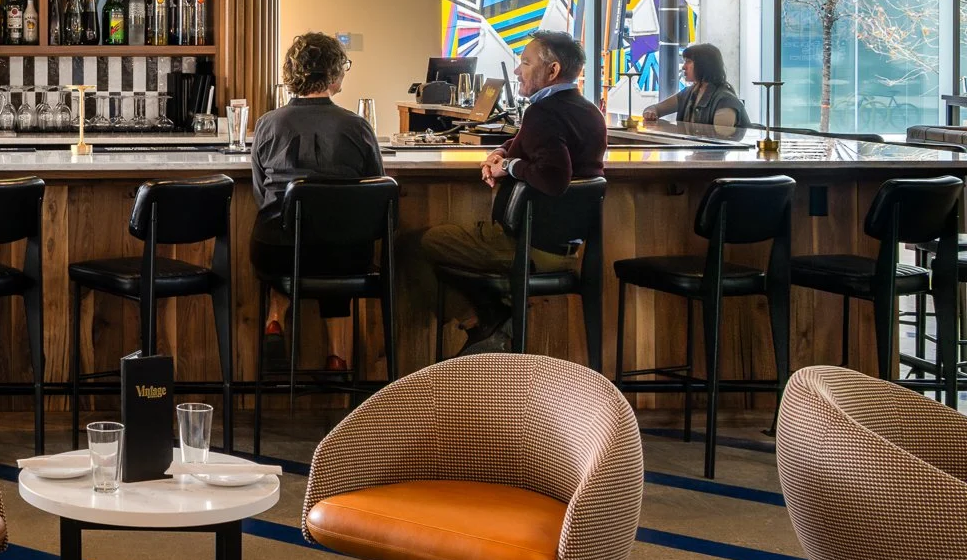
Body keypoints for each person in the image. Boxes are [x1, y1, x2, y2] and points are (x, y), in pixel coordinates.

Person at [410, 30, 606, 355]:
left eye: (525, 63)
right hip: (565, 248)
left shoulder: (544, 112)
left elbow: (554, 178)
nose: (517, 70)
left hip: (526, 246)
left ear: (553, 70)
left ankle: (482, 320)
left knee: (415, 244)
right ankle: (497, 316)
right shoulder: (587, 111)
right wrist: (502, 153)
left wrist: (510, 167)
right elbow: (532, 141)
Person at [250, 32, 385, 368]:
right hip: (345, 255)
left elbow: (261, 195)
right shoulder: (357, 127)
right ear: (335, 74)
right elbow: (376, 193)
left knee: (285, 233)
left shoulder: (268, 124)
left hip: (279, 252)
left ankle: (274, 319)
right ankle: (337, 357)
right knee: (336, 241)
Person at [644, 42, 748, 131]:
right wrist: (650, 112)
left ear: (704, 65)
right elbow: (656, 108)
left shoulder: (725, 100)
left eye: (688, 62)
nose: (684, 67)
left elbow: (719, 140)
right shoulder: (688, 93)